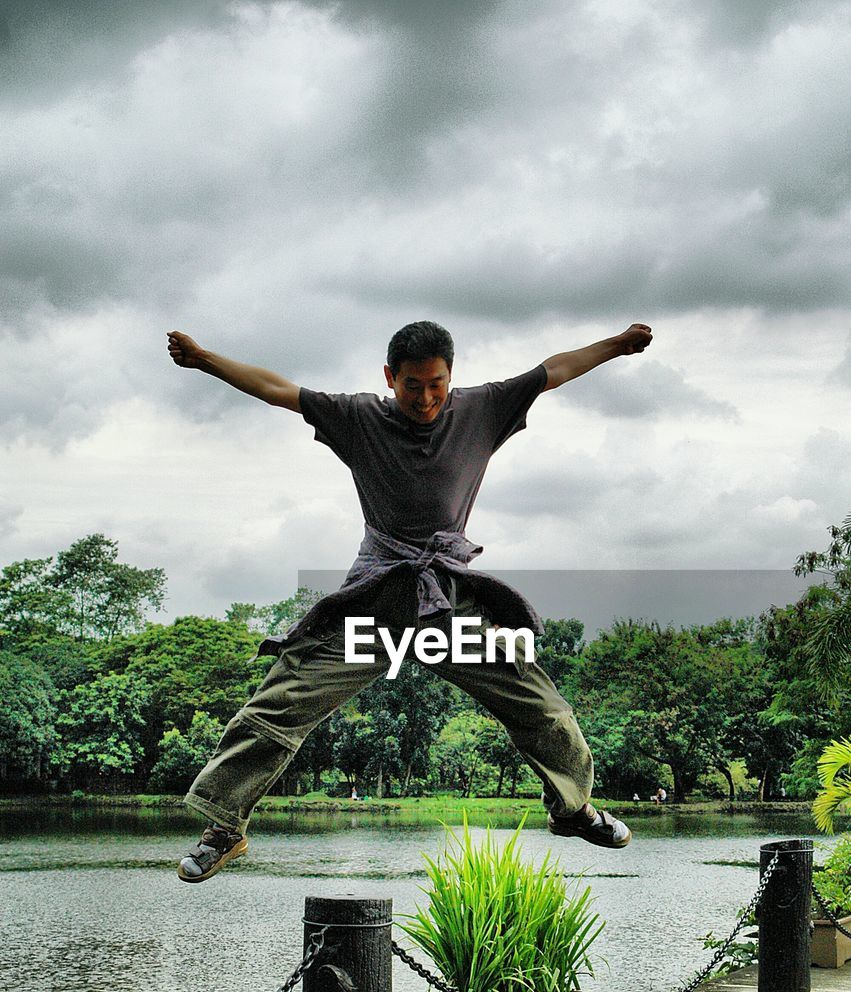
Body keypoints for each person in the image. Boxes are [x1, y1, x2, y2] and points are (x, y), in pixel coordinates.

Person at [167, 319, 653, 882]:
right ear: (389, 378)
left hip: (447, 605)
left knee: (541, 707)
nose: (425, 398)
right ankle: (224, 829)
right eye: (412, 386)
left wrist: (616, 346)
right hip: (375, 602)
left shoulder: (483, 409)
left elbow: (556, 370)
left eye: (437, 384)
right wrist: (205, 359)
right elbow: (277, 390)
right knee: (280, 703)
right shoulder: (358, 418)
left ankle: (572, 810)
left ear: (451, 376)